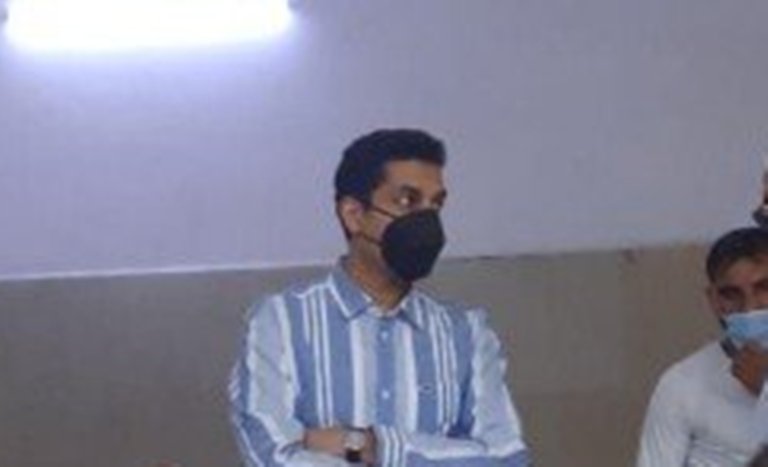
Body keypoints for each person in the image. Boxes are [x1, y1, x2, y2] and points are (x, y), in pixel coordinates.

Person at [229, 128, 530, 466]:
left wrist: (372, 446)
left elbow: (506, 458)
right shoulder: (280, 322)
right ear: (354, 215)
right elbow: (270, 455)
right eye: (407, 201)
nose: (427, 221)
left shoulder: (466, 333)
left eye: (436, 204)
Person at [637, 227, 768, 467]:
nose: (750, 307)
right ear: (714, 301)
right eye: (732, 294)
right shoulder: (682, 383)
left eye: (764, 287)